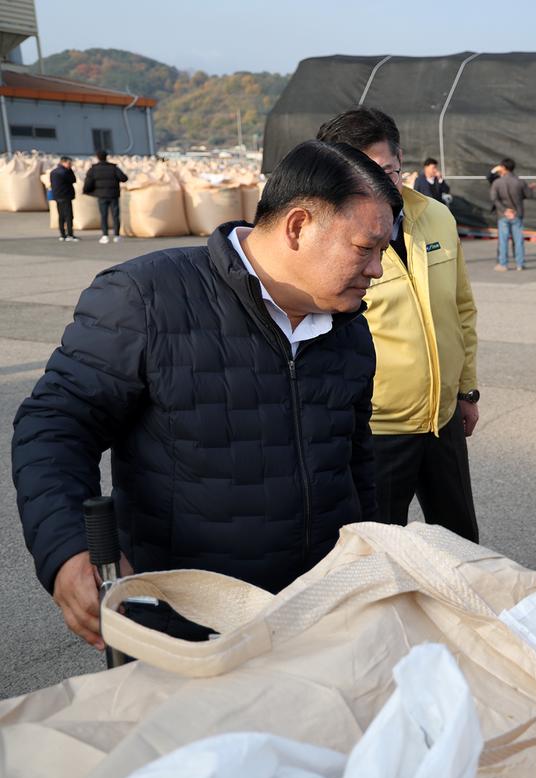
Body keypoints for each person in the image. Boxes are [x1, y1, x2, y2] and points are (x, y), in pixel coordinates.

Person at [13, 139, 399, 646]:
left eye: (384, 252)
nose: (377, 269)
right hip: (186, 624)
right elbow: (55, 425)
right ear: (299, 226)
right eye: (365, 248)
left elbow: (355, 463)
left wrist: (369, 564)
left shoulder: (347, 326)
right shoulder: (147, 297)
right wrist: (67, 549)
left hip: (319, 613)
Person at [317, 108, 481, 542]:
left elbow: (460, 308)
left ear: (400, 161)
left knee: (461, 543)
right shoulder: (329, 236)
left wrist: (465, 390)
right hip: (378, 430)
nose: (376, 183)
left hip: (443, 420)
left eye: (386, 170)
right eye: (362, 172)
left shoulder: (437, 217)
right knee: (379, 551)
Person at [490, 157, 533, 272]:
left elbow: (494, 199)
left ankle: (503, 264)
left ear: (503, 168)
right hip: (517, 214)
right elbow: (529, 195)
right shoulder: (520, 182)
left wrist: (505, 210)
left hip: (503, 215)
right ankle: (520, 264)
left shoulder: (497, 182)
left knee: (503, 241)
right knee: (518, 240)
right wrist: (530, 189)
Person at [81, 150, 128, 243]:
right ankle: (117, 236)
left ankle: (105, 235)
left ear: (97, 157)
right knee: (115, 216)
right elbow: (124, 178)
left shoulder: (94, 169)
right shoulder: (114, 168)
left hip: (101, 196)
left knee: (104, 216)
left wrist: (86, 191)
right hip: (113, 195)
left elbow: (88, 182)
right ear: (107, 157)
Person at [49, 156, 78, 242]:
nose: (70, 165)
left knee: (61, 216)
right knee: (69, 216)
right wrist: (70, 170)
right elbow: (73, 180)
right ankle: (70, 234)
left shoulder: (53, 172)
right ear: (63, 162)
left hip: (57, 196)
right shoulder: (65, 172)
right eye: (69, 163)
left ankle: (62, 234)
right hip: (66, 196)